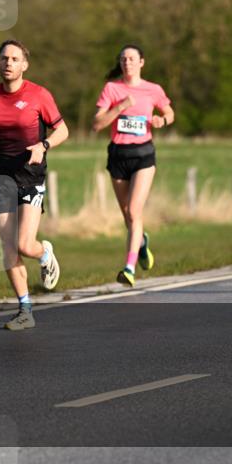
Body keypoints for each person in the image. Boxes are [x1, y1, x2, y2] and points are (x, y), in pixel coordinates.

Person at [0, 40, 68, 331]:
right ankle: (25, 309)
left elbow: (63, 129)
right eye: (4, 58)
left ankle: (45, 253)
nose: (8, 63)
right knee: (8, 246)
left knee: (25, 244)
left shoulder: (39, 95)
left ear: (24, 64)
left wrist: (44, 145)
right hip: (0, 175)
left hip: (30, 174)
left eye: (14, 59)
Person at [92, 45, 174, 287]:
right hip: (118, 155)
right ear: (120, 63)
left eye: (132, 58)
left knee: (135, 211)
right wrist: (119, 107)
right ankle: (141, 242)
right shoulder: (112, 89)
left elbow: (170, 112)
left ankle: (129, 268)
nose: (127, 62)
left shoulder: (153, 89)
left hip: (143, 155)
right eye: (123, 59)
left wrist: (162, 119)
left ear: (141, 63)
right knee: (128, 214)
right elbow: (96, 124)